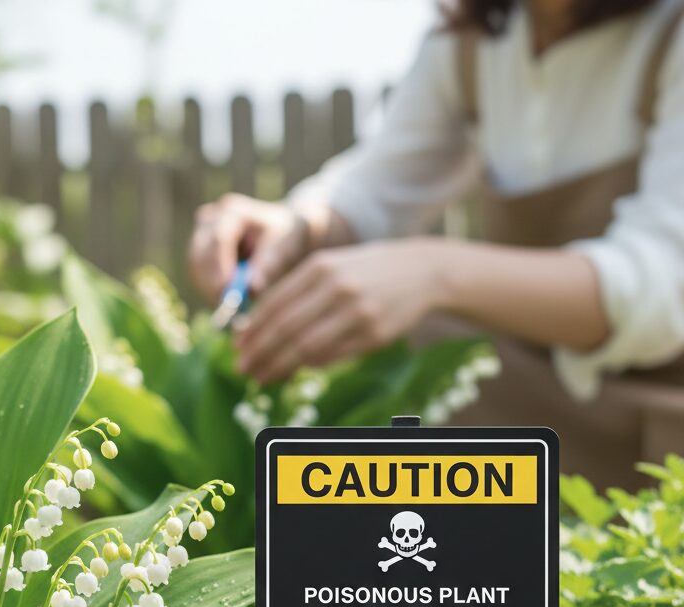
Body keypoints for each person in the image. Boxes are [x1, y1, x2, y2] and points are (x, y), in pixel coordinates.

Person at [188, 0, 684, 488]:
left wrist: (433, 273)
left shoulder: (670, 33)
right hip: (530, 417)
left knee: (430, 336)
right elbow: (374, 192)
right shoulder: (471, 45)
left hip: (658, 448)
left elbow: (661, 290)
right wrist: (295, 226)